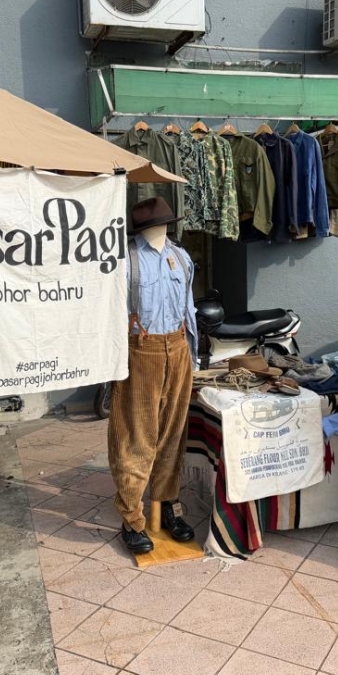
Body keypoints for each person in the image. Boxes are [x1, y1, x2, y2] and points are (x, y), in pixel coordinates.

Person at [108, 197, 198, 555]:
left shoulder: (182, 257)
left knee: (173, 433)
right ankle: (131, 517)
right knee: (135, 435)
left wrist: (193, 354)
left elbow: (189, 308)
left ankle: (165, 506)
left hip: (178, 348)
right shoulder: (126, 260)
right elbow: (113, 315)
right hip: (140, 350)